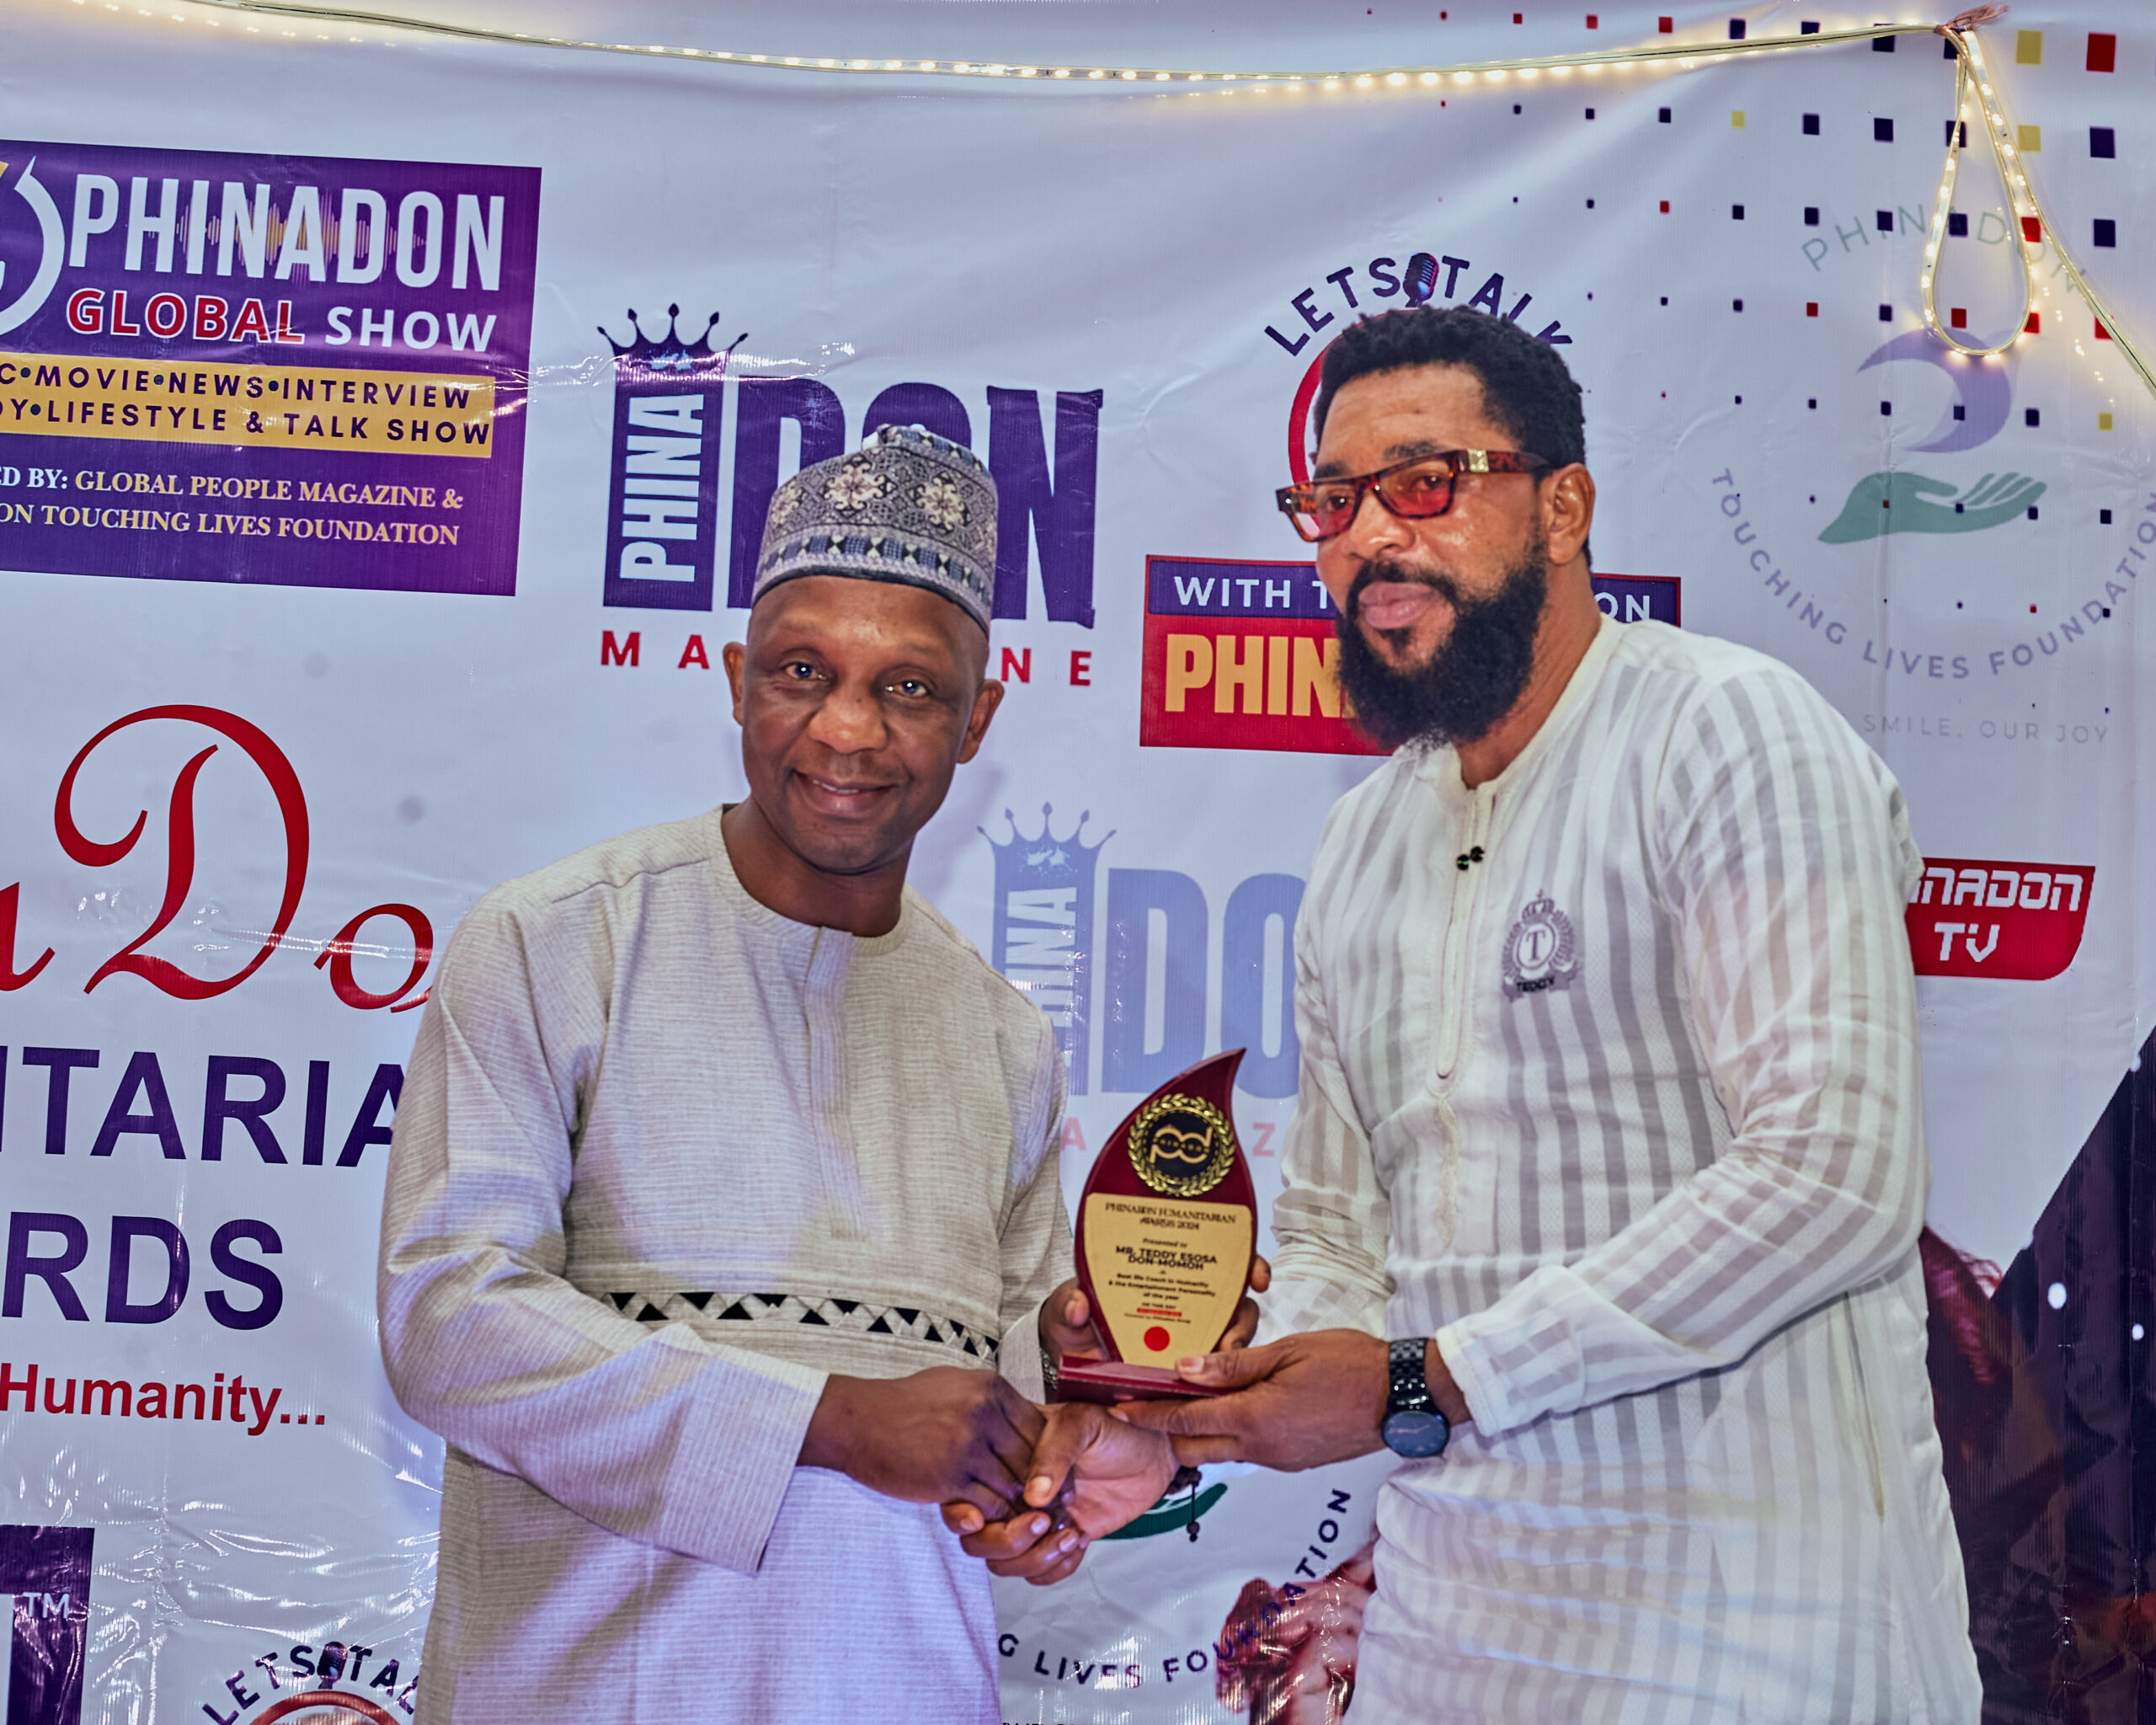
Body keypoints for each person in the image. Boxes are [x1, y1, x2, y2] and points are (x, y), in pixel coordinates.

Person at [1117, 306, 1984, 1720]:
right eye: (1333, 502)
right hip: (1449, 1638)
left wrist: (1429, 1379)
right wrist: (1216, 1395)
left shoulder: (1730, 732)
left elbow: (1835, 1173)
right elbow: (1337, 1229)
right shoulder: (1362, 841)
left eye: (1425, 484)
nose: (1370, 539)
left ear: (1565, 507)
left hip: (1747, 1634)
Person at [377, 425, 1181, 1724]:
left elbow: (998, 1403)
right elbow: (452, 1326)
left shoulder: (1002, 1037)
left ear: (977, 719)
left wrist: (1070, 1419)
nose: (848, 730)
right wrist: (829, 1421)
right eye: (805, 672)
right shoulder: (557, 943)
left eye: (910, 687)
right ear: (738, 679)